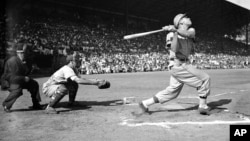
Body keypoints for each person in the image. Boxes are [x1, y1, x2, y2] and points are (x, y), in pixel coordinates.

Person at [136, 14, 211, 116]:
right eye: (186, 17)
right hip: (178, 65)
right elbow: (174, 49)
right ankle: (203, 106)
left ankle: (145, 104)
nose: (189, 18)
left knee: (172, 92)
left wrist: (176, 30)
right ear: (181, 22)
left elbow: (189, 34)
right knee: (204, 78)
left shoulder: (191, 30)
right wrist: (174, 33)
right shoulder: (171, 35)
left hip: (184, 64)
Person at [42, 51, 110, 114]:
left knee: (74, 84)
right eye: (76, 61)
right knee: (64, 88)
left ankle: (71, 102)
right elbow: (79, 80)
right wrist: (96, 83)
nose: (78, 62)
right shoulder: (67, 69)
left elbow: (82, 79)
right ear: (71, 62)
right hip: (48, 87)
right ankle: (50, 106)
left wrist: (97, 80)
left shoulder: (74, 69)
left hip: (56, 85)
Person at [1, 43, 43, 113]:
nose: (27, 55)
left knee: (34, 84)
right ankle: (6, 105)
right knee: (18, 90)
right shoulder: (12, 61)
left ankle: (36, 104)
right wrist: (23, 78)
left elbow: (25, 73)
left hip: (19, 80)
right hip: (9, 81)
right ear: (19, 53)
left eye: (27, 53)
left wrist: (32, 69)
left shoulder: (26, 61)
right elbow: (12, 78)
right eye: (25, 53)